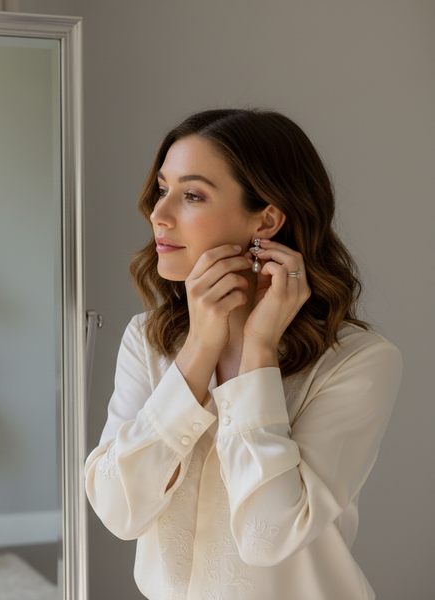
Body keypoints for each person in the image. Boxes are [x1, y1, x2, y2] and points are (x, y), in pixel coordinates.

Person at [85, 109, 402, 600]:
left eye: (191, 195)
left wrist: (255, 352)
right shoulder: (147, 339)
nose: (159, 214)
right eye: (162, 189)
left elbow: (267, 536)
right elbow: (117, 511)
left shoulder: (359, 361)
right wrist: (199, 350)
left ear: (268, 218)